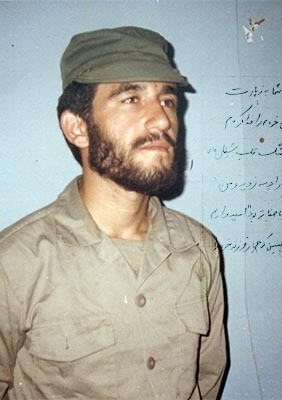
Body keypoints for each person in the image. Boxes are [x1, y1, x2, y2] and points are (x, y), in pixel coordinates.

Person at [0, 27, 227, 399]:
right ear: (78, 128)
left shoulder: (199, 249)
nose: (163, 120)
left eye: (168, 100)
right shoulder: (14, 262)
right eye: (132, 98)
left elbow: (208, 378)